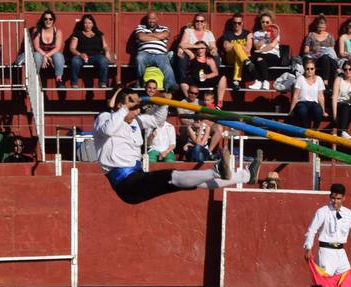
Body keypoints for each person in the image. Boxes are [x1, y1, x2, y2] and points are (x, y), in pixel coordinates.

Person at [94, 87, 254, 204]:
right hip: (125, 184)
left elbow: (158, 120)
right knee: (173, 176)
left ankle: (245, 176)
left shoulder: (135, 121)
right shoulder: (105, 118)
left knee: (192, 182)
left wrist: (163, 103)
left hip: (138, 176)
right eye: (133, 108)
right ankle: (216, 171)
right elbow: (109, 129)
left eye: (136, 108)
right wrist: (123, 110)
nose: (136, 112)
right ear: (120, 106)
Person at [132, 12, 176, 91]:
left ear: (157, 19)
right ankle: (140, 82)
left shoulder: (164, 28)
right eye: (149, 18)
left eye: (153, 18)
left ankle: (170, 86)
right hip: (145, 53)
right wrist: (158, 37)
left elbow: (165, 34)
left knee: (167, 66)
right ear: (147, 19)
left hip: (160, 54)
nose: (151, 20)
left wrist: (148, 35)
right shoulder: (141, 27)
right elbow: (141, 37)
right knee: (139, 58)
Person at [67, 14, 111, 89]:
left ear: (93, 24)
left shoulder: (99, 34)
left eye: (89, 23)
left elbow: (105, 46)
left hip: (96, 56)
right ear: (83, 24)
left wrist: (107, 52)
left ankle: (103, 83)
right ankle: (74, 83)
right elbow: (72, 48)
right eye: (85, 23)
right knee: (75, 61)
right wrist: (80, 54)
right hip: (81, 56)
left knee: (103, 60)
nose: (87, 25)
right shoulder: (77, 34)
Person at [175, 13, 218, 87]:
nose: (199, 23)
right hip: (191, 55)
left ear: (204, 22)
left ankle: (213, 79)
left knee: (216, 56)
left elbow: (213, 46)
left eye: (201, 21)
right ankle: (183, 80)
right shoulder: (188, 31)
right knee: (182, 57)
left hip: (204, 55)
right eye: (197, 21)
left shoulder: (208, 33)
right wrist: (197, 46)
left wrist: (213, 49)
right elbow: (182, 44)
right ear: (194, 22)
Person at [180, 42, 226, 107]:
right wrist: (196, 46)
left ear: (205, 49)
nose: (200, 50)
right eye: (198, 48)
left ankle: (219, 103)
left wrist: (207, 76)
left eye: (202, 48)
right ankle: (191, 102)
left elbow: (215, 73)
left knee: (223, 78)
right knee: (183, 83)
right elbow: (182, 45)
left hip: (205, 80)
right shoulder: (193, 56)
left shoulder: (209, 59)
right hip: (194, 80)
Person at [29, 11, 66, 85]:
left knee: (58, 55)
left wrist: (46, 56)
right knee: (36, 55)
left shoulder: (58, 32)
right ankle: (35, 79)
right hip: (40, 54)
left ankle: (59, 79)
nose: (48, 21)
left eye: (50, 19)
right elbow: (36, 47)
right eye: (45, 19)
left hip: (52, 55)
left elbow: (57, 48)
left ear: (53, 20)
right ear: (43, 20)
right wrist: (44, 56)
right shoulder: (37, 30)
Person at [246, 13, 282, 89]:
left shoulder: (275, 32)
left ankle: (260, 81)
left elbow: (271, 46)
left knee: (257, 57)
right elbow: (256, 47)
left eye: (267, 22)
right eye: (263, 22)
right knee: (248, 60)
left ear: (271, 23)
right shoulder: (257, 33)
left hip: (273, 56)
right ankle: (262, 82)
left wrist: (260, 51)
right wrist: (264, 38)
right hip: (260, 56)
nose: (265, 24)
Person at [288, 59, 326, 129]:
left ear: (315, 69)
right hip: (302, 102)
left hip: (314, 103)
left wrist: (323, 111)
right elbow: (295, 96)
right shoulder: (300, 78)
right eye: (307, 69)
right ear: (304, 69)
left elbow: (321, 96)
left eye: (312, 68)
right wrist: (291, 110)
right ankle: (306, 131)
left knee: (318, 111)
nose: (310, 71)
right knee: (302, 110)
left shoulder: (319, 79)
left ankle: (315, 131)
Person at [301, 15, 338, 83]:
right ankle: (327, 80)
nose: (321, 29)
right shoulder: (311, 35)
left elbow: (332, 51)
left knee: (326, 56)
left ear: (325, 26)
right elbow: (305, 50)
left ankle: (329, 81)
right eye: (319, 27)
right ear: (316, 26)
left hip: (327, 59)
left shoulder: (330, 36)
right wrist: (314, 50)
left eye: (323, 27)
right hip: (315, 58)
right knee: (325, 57)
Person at [219, 14, 251, 88]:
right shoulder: (227, 34)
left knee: (238, 55)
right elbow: (226, 47)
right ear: (232, 23)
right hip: (230, 57)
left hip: (240, 58)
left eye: (239, 23)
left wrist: (233, 46)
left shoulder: (247, 34)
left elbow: (248, 50)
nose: (237, 25)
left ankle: (236, 81)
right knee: (237, 47)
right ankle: (246, 62)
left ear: (242, 23)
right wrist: (239, 46)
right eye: (235, 23)